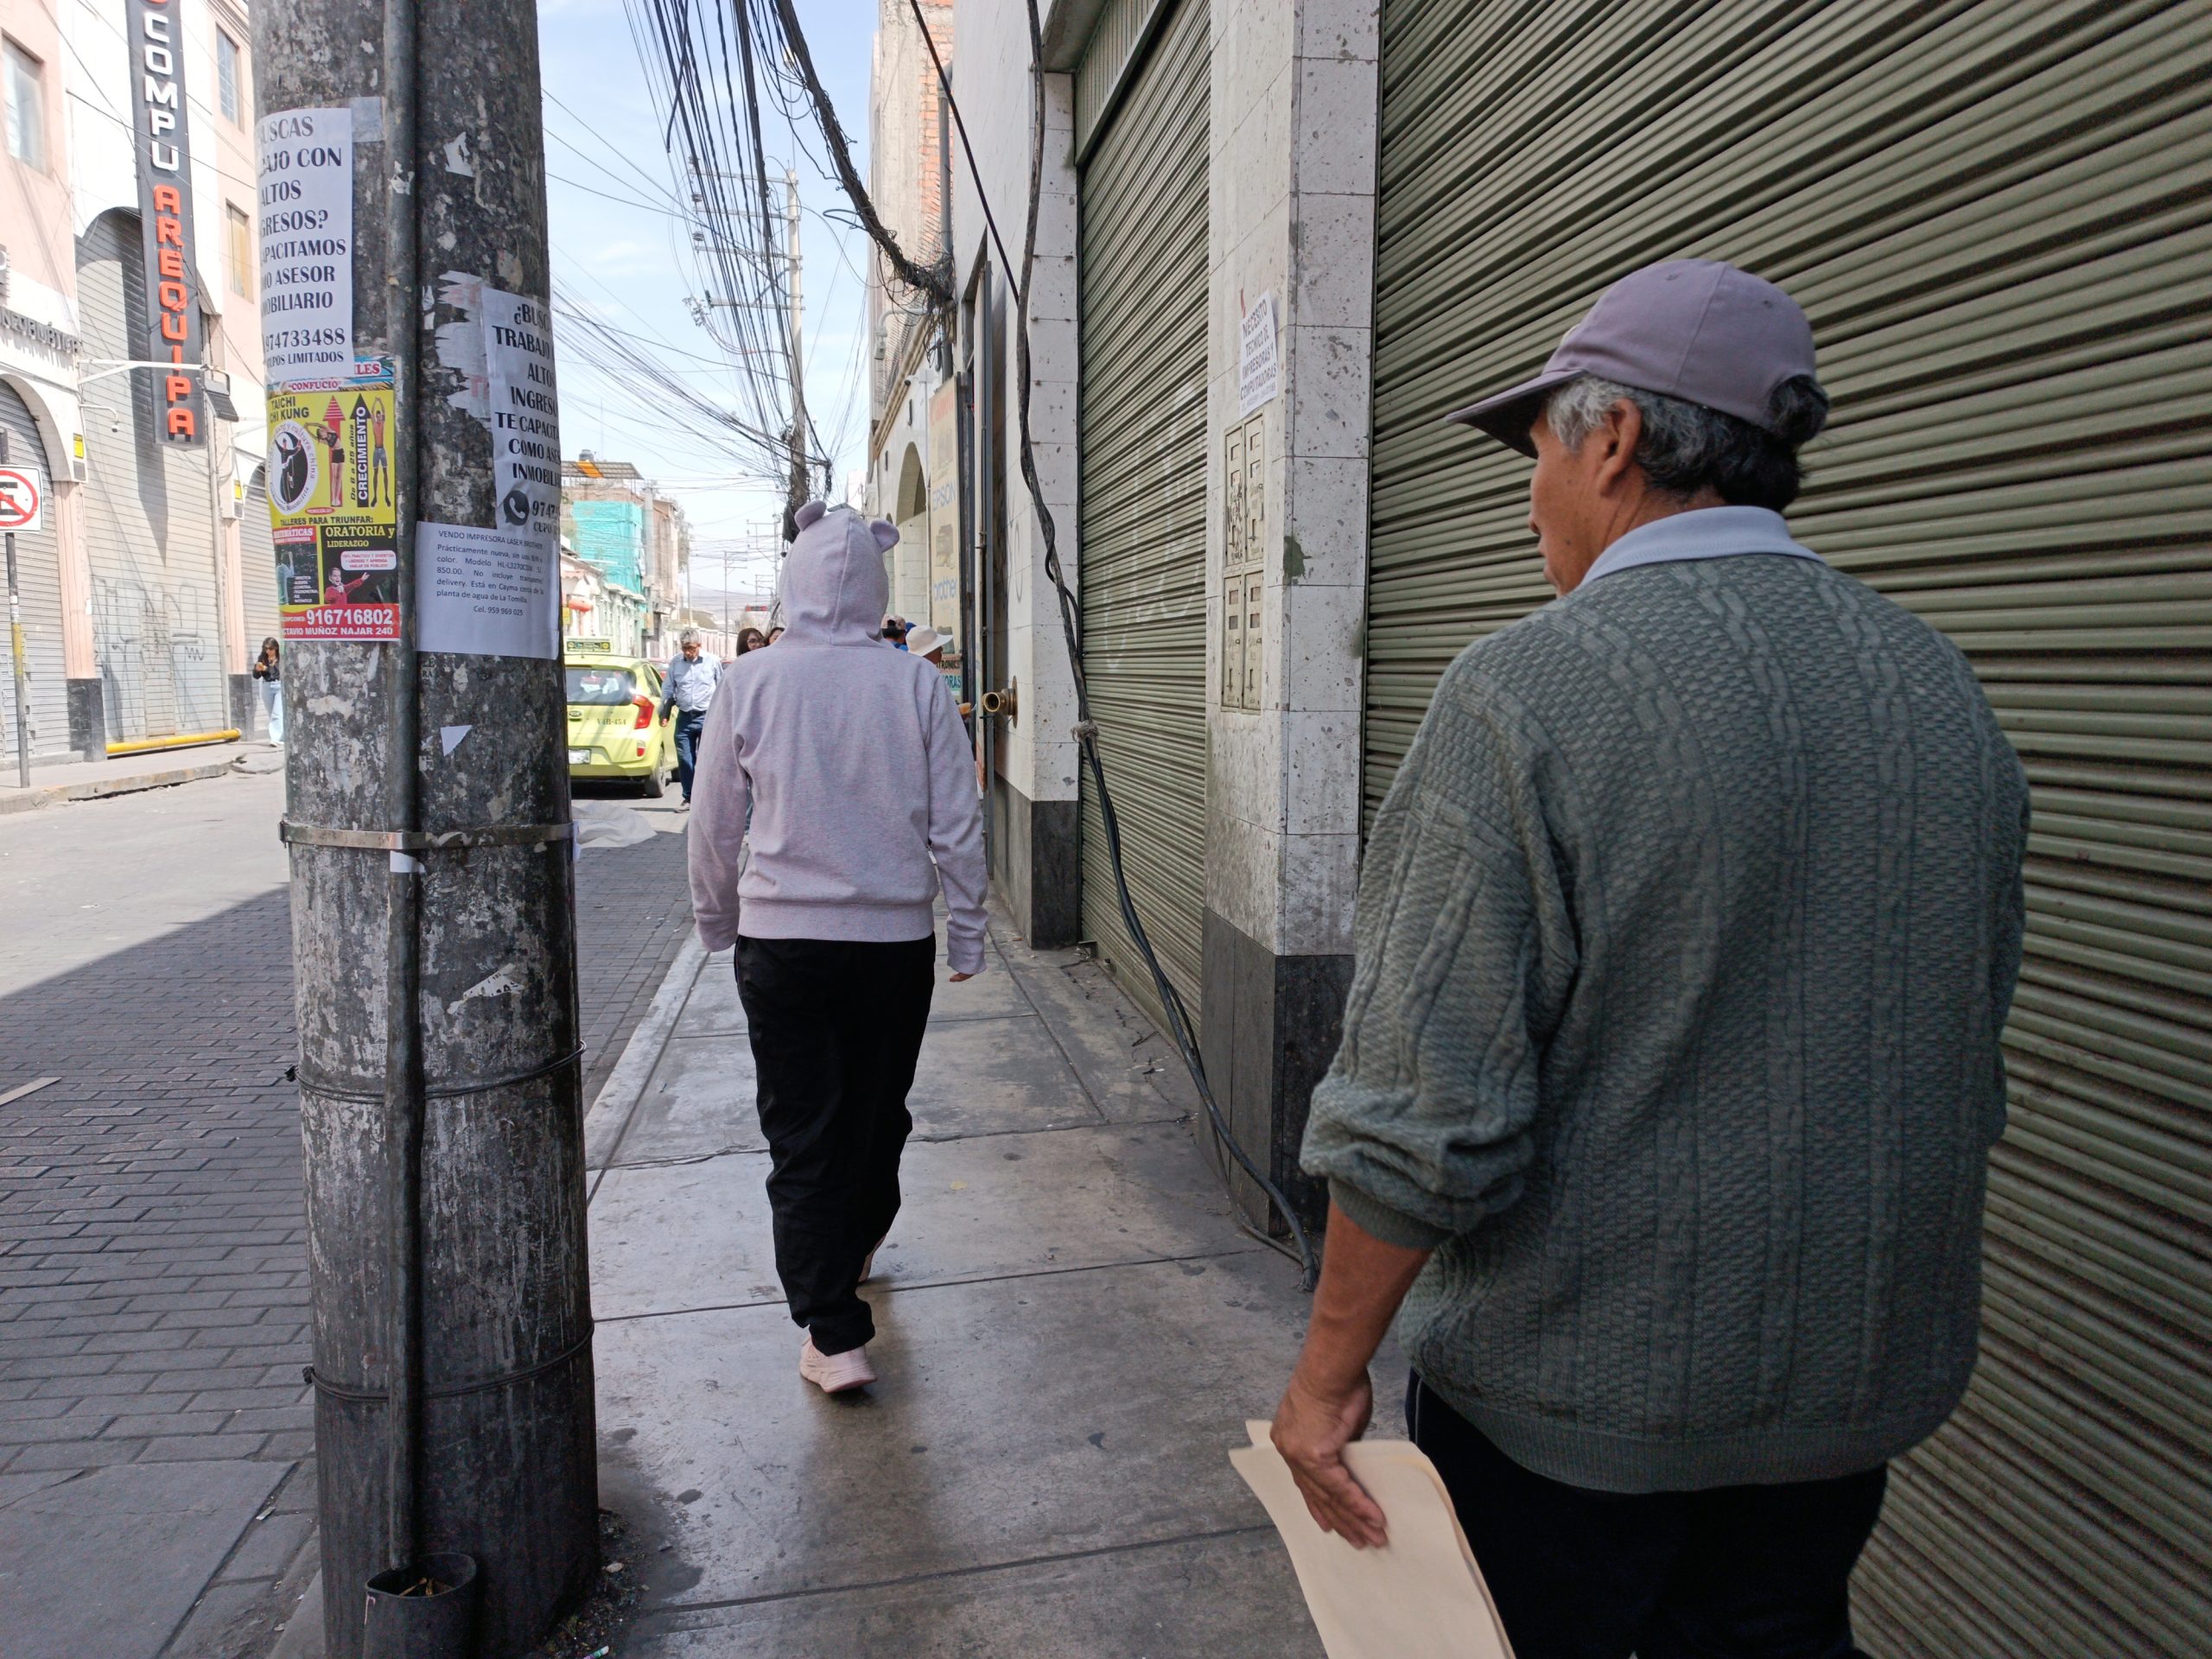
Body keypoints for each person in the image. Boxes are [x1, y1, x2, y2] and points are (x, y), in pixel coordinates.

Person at [1269, 260, 2028, 1659]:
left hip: (1574, 1422)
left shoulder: (1526, 696)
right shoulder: (1940, 693)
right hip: (1842, 1411)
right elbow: (1959, 1048)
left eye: (1540, 445)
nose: (1531, 492)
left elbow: (1417, 1123)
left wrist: (1326, 1380)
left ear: (1612, 442)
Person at [690, 502, 986, 1395]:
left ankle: (833, 1333)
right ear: (875, 586)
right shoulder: (914, 685)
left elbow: (713, 825)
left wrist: (716, 919)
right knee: (875, 1112)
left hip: (783, 946)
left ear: (794, 581)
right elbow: (957, 821)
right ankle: (848, 1254)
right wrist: (966, 926)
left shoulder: (750, 682)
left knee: (805, 1130)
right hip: (891, 945)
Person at [659, 626, 722, 808]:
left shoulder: (712, 661)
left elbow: (721, 687)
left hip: (707, 717)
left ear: (699, 646)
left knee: (706, 759)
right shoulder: (676, 663)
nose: (688, 652)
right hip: (684, 717)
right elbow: (669, 688)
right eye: (685, 648)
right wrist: (664, 710)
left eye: (691, 648)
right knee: (685, 759)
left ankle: (706, 798)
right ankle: (689, 797)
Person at [251, 638, 283, 746]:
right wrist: (257, 670)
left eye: (271, 648)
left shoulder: (281, 658)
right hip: (267, 686)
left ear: (276, 648)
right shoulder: (262, 657)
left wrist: (266, 669)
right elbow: (256, 676)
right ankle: (282, 737)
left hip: (279, 685)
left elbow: (279, 672)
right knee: (271, 713)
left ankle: (275, 739)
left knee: (276, 714)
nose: (268, 651)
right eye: (266, 649)